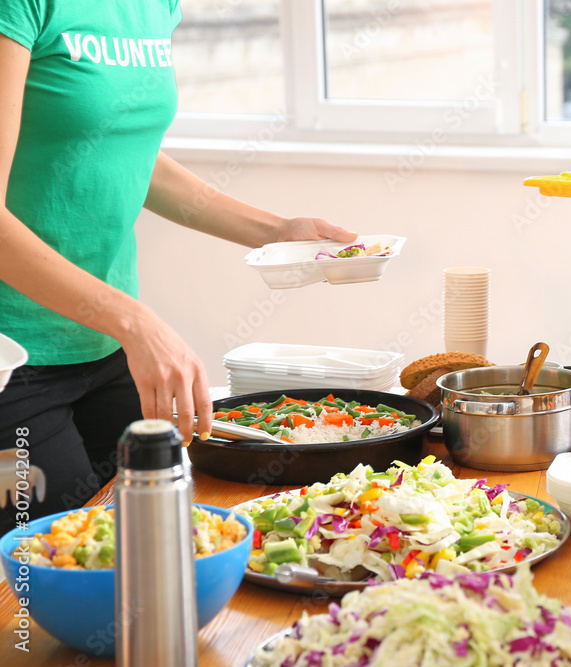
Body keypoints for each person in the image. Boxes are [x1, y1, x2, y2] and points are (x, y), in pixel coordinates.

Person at [0, 2, 356, 535]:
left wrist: (275, 232)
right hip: (15, 357)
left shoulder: (155, 7)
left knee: (149, 544)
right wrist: (137, 323)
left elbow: (127, 153)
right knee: (47, 577)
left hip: (107, 349)